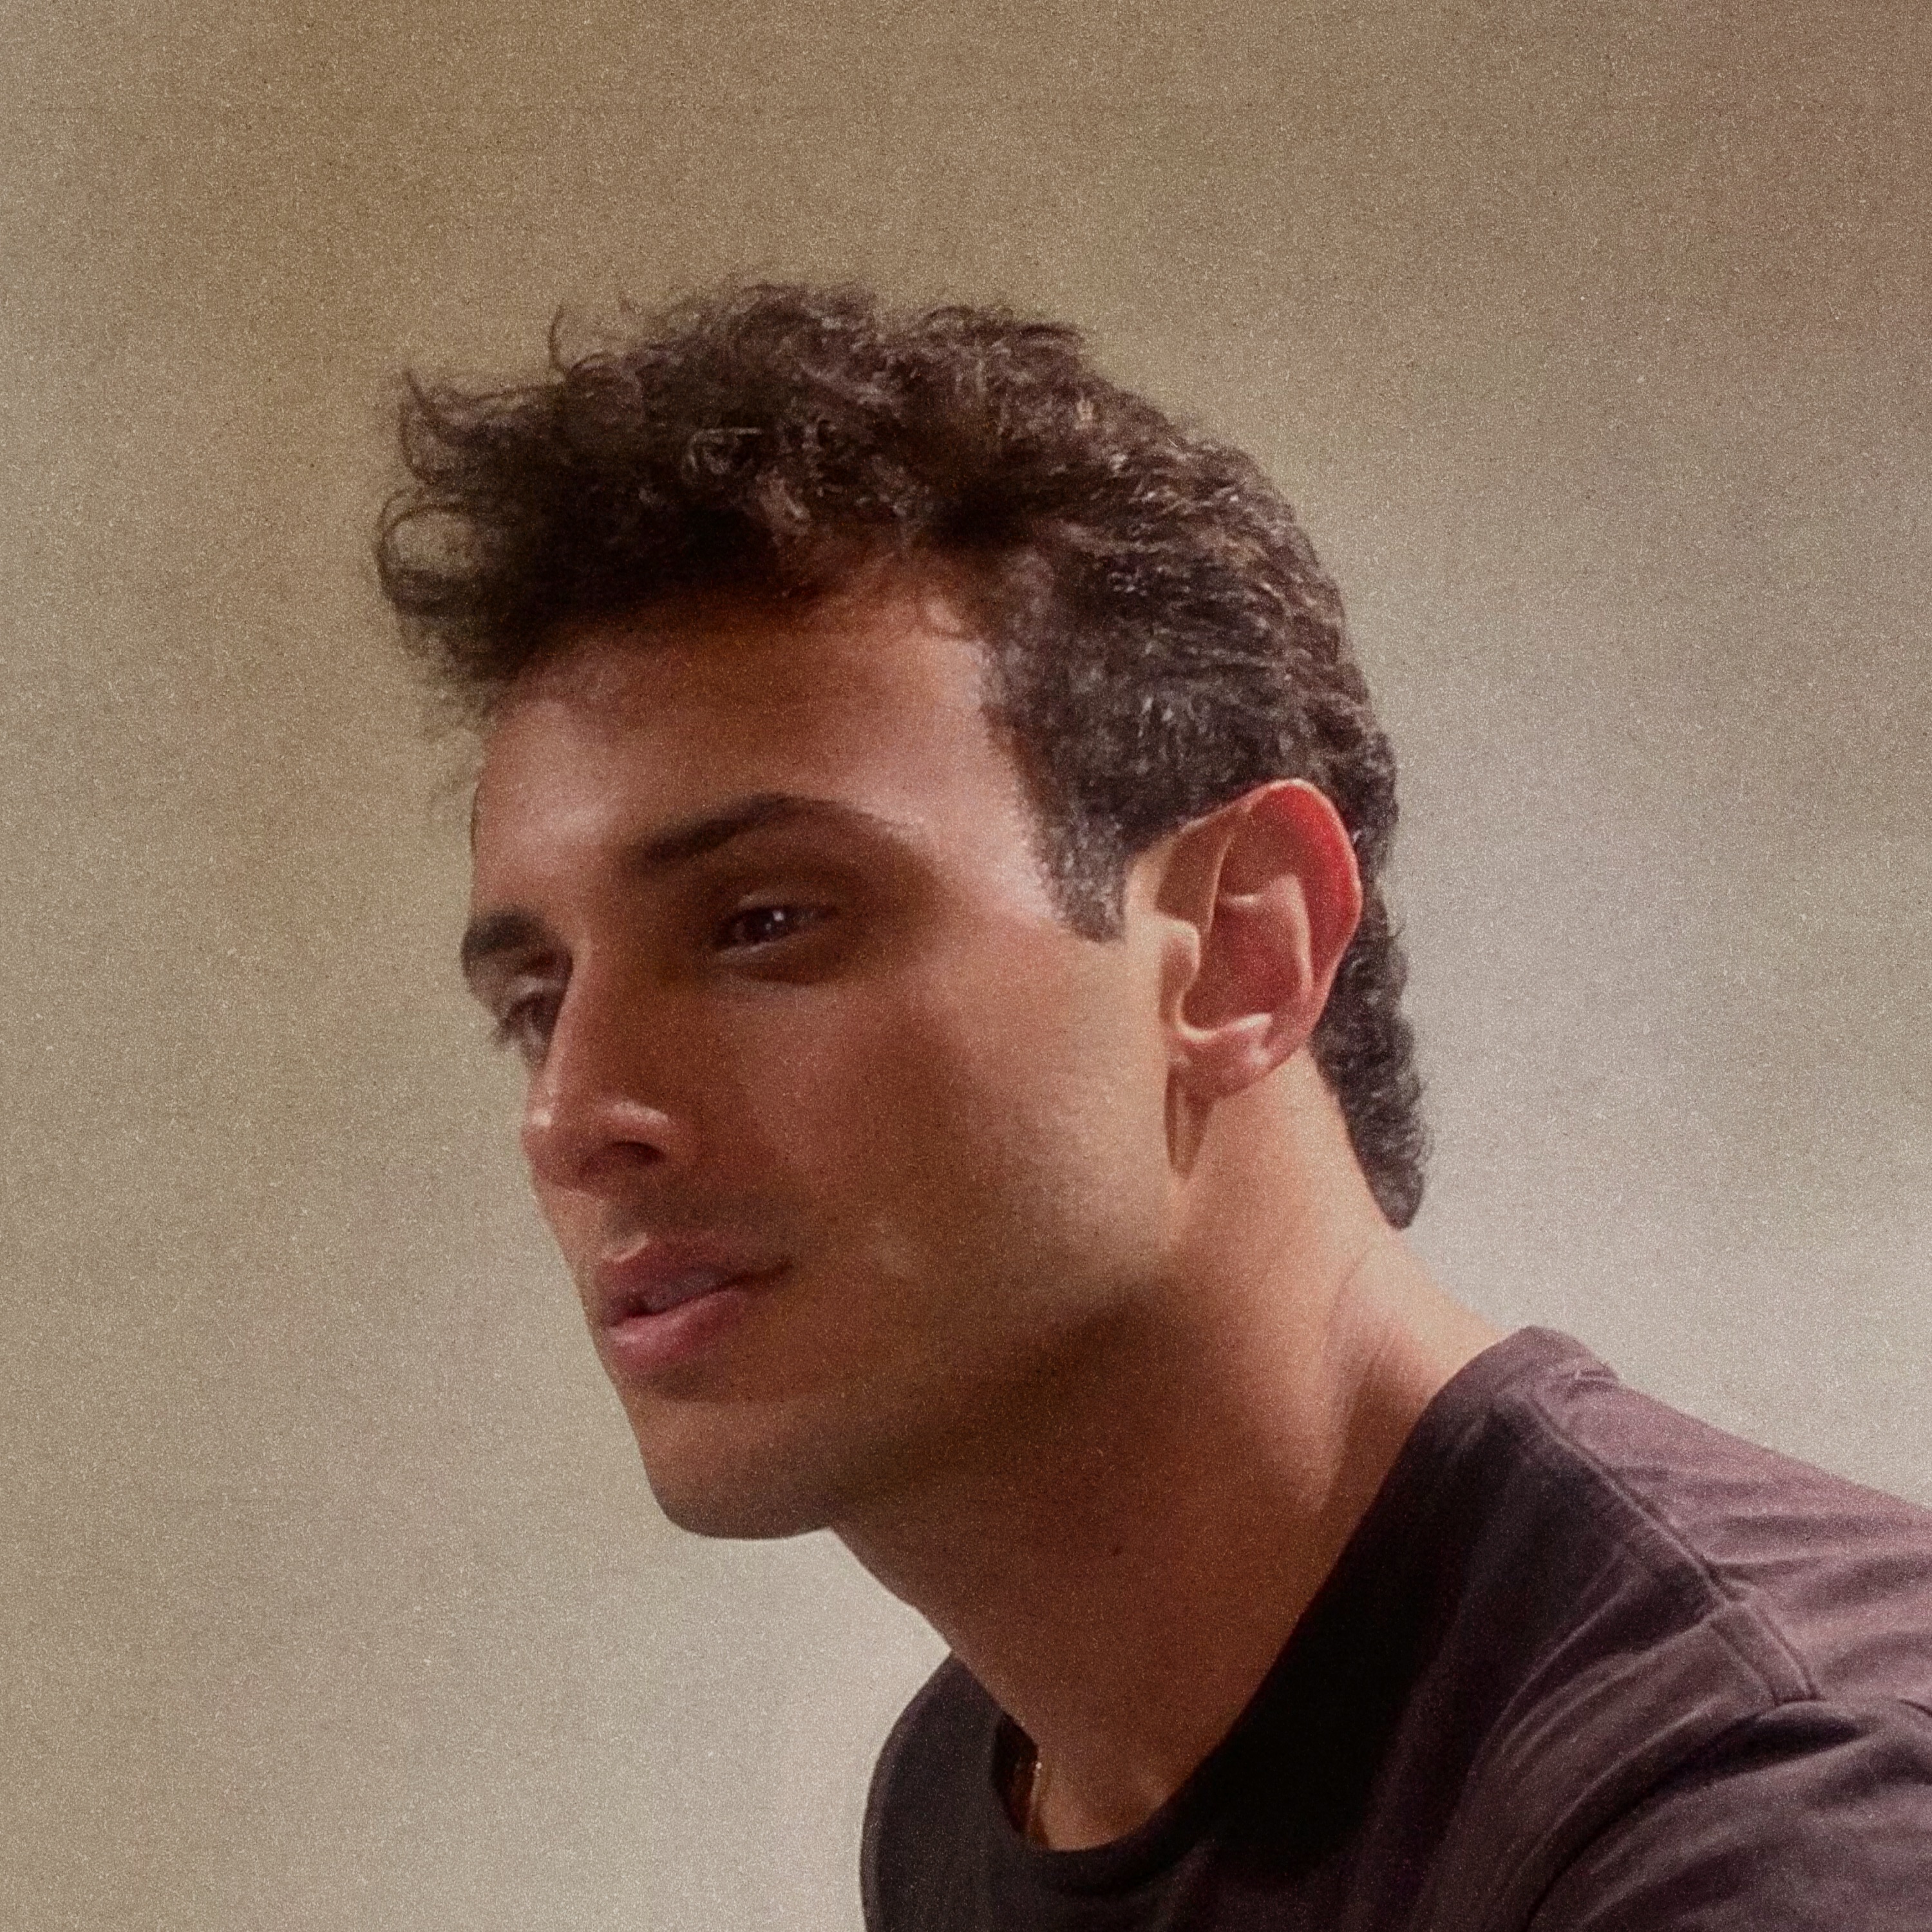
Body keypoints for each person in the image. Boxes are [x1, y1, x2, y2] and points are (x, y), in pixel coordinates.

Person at [376, 281, 1932, 1928]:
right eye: (534, 1004)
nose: (573, 1116)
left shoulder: (1783, 1810)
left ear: (1242, 948)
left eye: (764, 922)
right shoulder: (977, 1779)